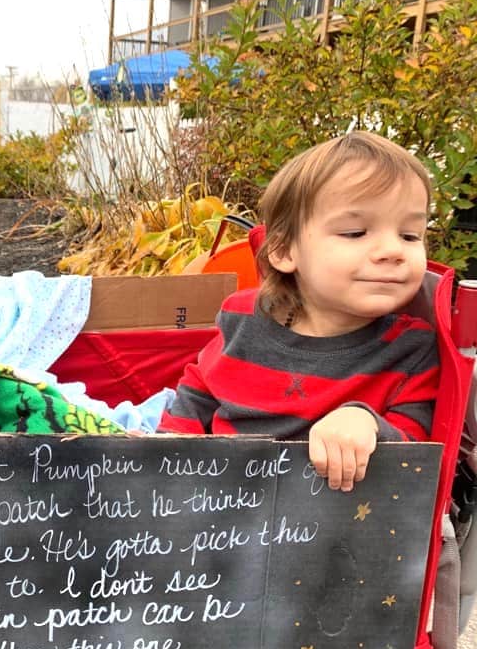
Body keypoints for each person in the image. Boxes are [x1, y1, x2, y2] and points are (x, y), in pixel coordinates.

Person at [159, 131, 440, 492]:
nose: (393, 250)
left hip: (329, 515)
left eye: (410, 235)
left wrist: (366, 421)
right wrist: (167, 447)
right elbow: (200, 389)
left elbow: (418, 455)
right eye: (355, 232)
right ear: (283, 251)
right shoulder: (244, 318)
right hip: (221, 501)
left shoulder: (412, 348)